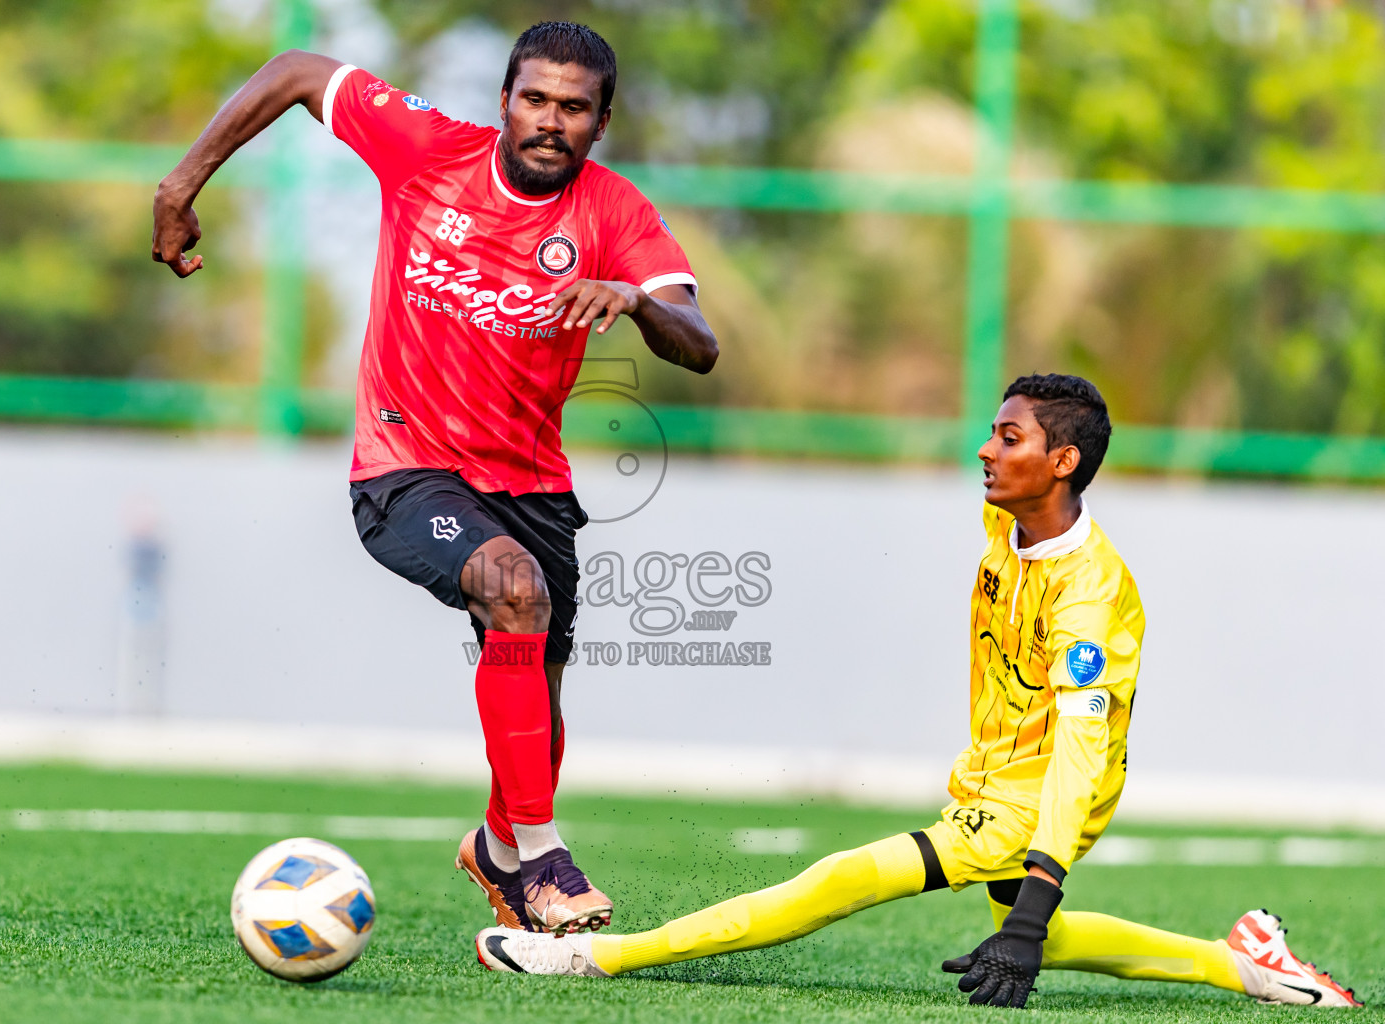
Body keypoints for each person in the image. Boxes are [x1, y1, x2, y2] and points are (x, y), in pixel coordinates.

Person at [472, 374, 1362, 1010]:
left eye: (1007, 438)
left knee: (840, 879)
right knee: (1042, 937)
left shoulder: (1089, 598)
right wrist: (1030, 925)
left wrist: (1040, 893)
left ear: (1061, 462)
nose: (985, 447)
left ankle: (598, 958)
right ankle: (1244, 965)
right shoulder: (1012, 518)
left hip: (1033, 802)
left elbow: (1083, 760)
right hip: (990, 778)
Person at [151, 22, 718, 936]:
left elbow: (700, 343)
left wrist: (639, 299)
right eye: (535, 99)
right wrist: (180, 185)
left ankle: (499, 844)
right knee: (513, 589)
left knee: (542, 692)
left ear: (601, 122)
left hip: (533, 483)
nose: (550, 121)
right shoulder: (425, 150)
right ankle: (541, 856)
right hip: (404, 465)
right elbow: (297, 70)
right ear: (504, 100)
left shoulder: (616, 214)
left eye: (574, 108)